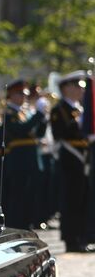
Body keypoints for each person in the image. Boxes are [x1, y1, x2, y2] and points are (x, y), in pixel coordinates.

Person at [52, 70, 92, 252]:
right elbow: (59, 133)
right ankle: (71, 239)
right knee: (70, 200)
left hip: (84, 157)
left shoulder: (80, 109)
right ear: (67, 88)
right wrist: (78, 123)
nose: (81, 90)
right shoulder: (59, 109)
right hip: (69, 158)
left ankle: (82, 237)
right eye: (77, 86)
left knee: (82, 199)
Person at [2, 79, 48, 230]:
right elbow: (20, 130)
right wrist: (38, 116)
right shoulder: (8, 112)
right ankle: (15, 227)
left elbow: (38, 133)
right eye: (20, 93)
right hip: (18, 160)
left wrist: (43, 119)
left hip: (31, 160)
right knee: (18, 197)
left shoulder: (25, 112)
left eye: (25, 94)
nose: (23, 97)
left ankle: (27, 225)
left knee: (30, 196)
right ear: (11, 95)